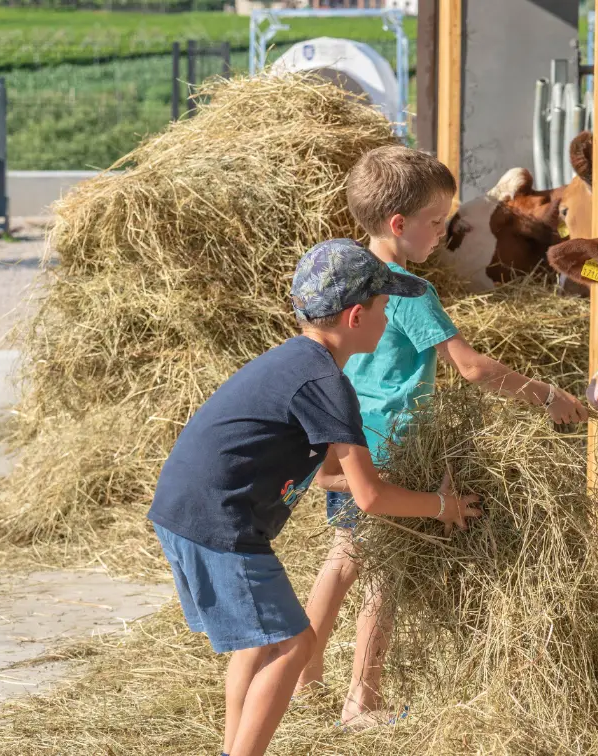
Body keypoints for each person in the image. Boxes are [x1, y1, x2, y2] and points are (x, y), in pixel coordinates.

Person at [146, 239, 482, 756]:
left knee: (260, 644)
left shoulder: (299, 363)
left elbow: (332, 476)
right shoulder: (328, 382)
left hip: (189, 509)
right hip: (220, 519)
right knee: (294, 644)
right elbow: (369, 499)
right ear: (355, 317)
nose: (388, 314)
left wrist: (394, 480)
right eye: (384, 306)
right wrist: (444, 508)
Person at [296, 145, 589, 729]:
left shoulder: (344, 275)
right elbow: (472, 368)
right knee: (385, 578)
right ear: (399, 225)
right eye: (437, 224)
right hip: (398, 450)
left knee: (342, 560)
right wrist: (550, 396)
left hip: (349, 442)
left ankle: (303, 678)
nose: (444, 235)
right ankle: (362, 701)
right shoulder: (408, 291)